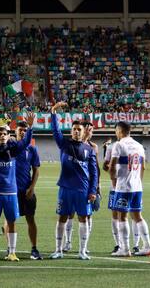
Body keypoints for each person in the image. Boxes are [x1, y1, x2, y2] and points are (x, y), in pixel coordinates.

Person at [0, 109, 35, 261]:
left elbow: (25, 142)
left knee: (11, 223)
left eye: (5, 134)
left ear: (8, 136)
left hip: (11, 192)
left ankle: (12, 252)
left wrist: (30, 128)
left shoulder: (14, 151)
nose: (3, 136)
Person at [48, 101, 98, 260]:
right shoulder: (64, 144)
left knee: (83, 219)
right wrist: (54, 112)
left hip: (82, 190)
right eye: (74, 129)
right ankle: (58, 250)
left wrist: (92, 191)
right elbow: (55, 130)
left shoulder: (89, 150)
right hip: (65, 188)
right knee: (62, 218)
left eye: (79, 129)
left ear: (83, 133)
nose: (76, 131)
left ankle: (82, 251)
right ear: (71, 131)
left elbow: (94, 172)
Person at [108, 121, 150, 257]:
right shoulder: (139, 146)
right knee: (137, 216)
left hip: (123, 187)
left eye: (116, 130)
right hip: (137, 187)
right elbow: (143, 167)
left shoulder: (119, 144)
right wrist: (139, 182)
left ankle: (125, 249)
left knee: (122, 216)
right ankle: (147, 246)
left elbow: (112, 166)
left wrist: (114, 181)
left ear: (119, 130)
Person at [14, 117, 43, 260]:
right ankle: (10, 249)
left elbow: (36, 170)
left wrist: (32, 187)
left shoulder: (32, 149)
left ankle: (34, 249)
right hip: (11, 191)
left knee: (30, 219)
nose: (23, 132)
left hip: (26, 190)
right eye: (21, 130)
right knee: (10, 220)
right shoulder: (10, 146)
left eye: (26, 130)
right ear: (15, 131)